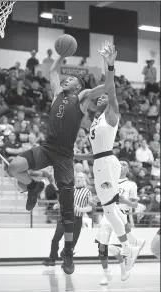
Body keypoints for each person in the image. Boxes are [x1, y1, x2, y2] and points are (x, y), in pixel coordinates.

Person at [8, 39, 110, 274]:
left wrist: (107, 63)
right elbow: (54, 70)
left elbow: (104, 87)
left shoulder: (82, 98)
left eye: (71, 79)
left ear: (78, 85)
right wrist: (62, 55)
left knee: (67, 209)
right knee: (13, 167)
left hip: (64, 155)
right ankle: (33, 186)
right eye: (66, 78)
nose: (66, 79)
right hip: (46, 147)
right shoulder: (57, 93)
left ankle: (67, 253)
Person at [74, 41, 140, 272]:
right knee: (110, 209)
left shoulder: (112, 115)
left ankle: (127, 248)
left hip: (106, 163)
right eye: (99, 98)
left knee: (109, 210)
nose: (100, 98)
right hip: (100, 162)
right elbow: (95, 153)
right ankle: (132, 243)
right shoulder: (96, 119)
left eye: (104, 97)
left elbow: (109, 88)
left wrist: (110, 65)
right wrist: (76, 155)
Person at [94, 160, 145, 285]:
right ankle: (106, 273)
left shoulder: (131, 185)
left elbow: (135, 204)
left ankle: (124, 267)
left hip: (121, 214)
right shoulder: (110, 181)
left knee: (111, 247)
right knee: (102, 246)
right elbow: (100, 195)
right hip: (107, 214)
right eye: (120, 164)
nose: (122, 167)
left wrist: (125, 201)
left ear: (128, 169)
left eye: (125, 165)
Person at [42, 172, 92, 266]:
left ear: (84, 179)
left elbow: (90, 207)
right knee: (55, 239)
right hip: (64, 218)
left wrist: (80, 209)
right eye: (77, 177)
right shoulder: (68, 190)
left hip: (77, 219)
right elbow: (62, 202)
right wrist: (58, 205)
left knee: (72, 243)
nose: (78, 179)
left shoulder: (87, 192)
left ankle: (67, 261)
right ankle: (52, 259)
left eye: (81, 177)